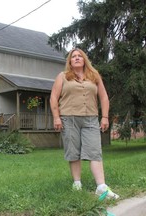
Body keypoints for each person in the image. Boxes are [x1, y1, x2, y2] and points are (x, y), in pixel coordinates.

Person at [50, 48, 119, 199]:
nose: (76, 58)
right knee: (73, 151)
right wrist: (56, 117)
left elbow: (104, 97)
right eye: (73, 56)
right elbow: (54, 97)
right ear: (69, 61)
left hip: (91, 118)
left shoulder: (94, 76)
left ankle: (101, 187)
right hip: (69, 118)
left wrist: (105, 117)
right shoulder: (62, 76)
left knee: (95, 151)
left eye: (79, 56)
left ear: (84, 59)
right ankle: (77, 184)